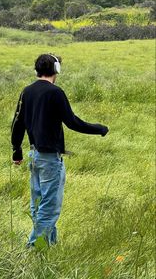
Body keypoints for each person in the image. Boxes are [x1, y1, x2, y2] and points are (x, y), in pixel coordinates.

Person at [11, 54, 109, 247]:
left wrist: (17, 150)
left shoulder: (26, 91)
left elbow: (17, 122)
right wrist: (99, 129)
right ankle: (34, 249)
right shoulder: (55, 92)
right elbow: (72, 122)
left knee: (39, 205)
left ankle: (49, 246)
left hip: (34, 156)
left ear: (37, 69)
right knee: (49, 207)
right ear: (56, 69)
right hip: (49, 159)